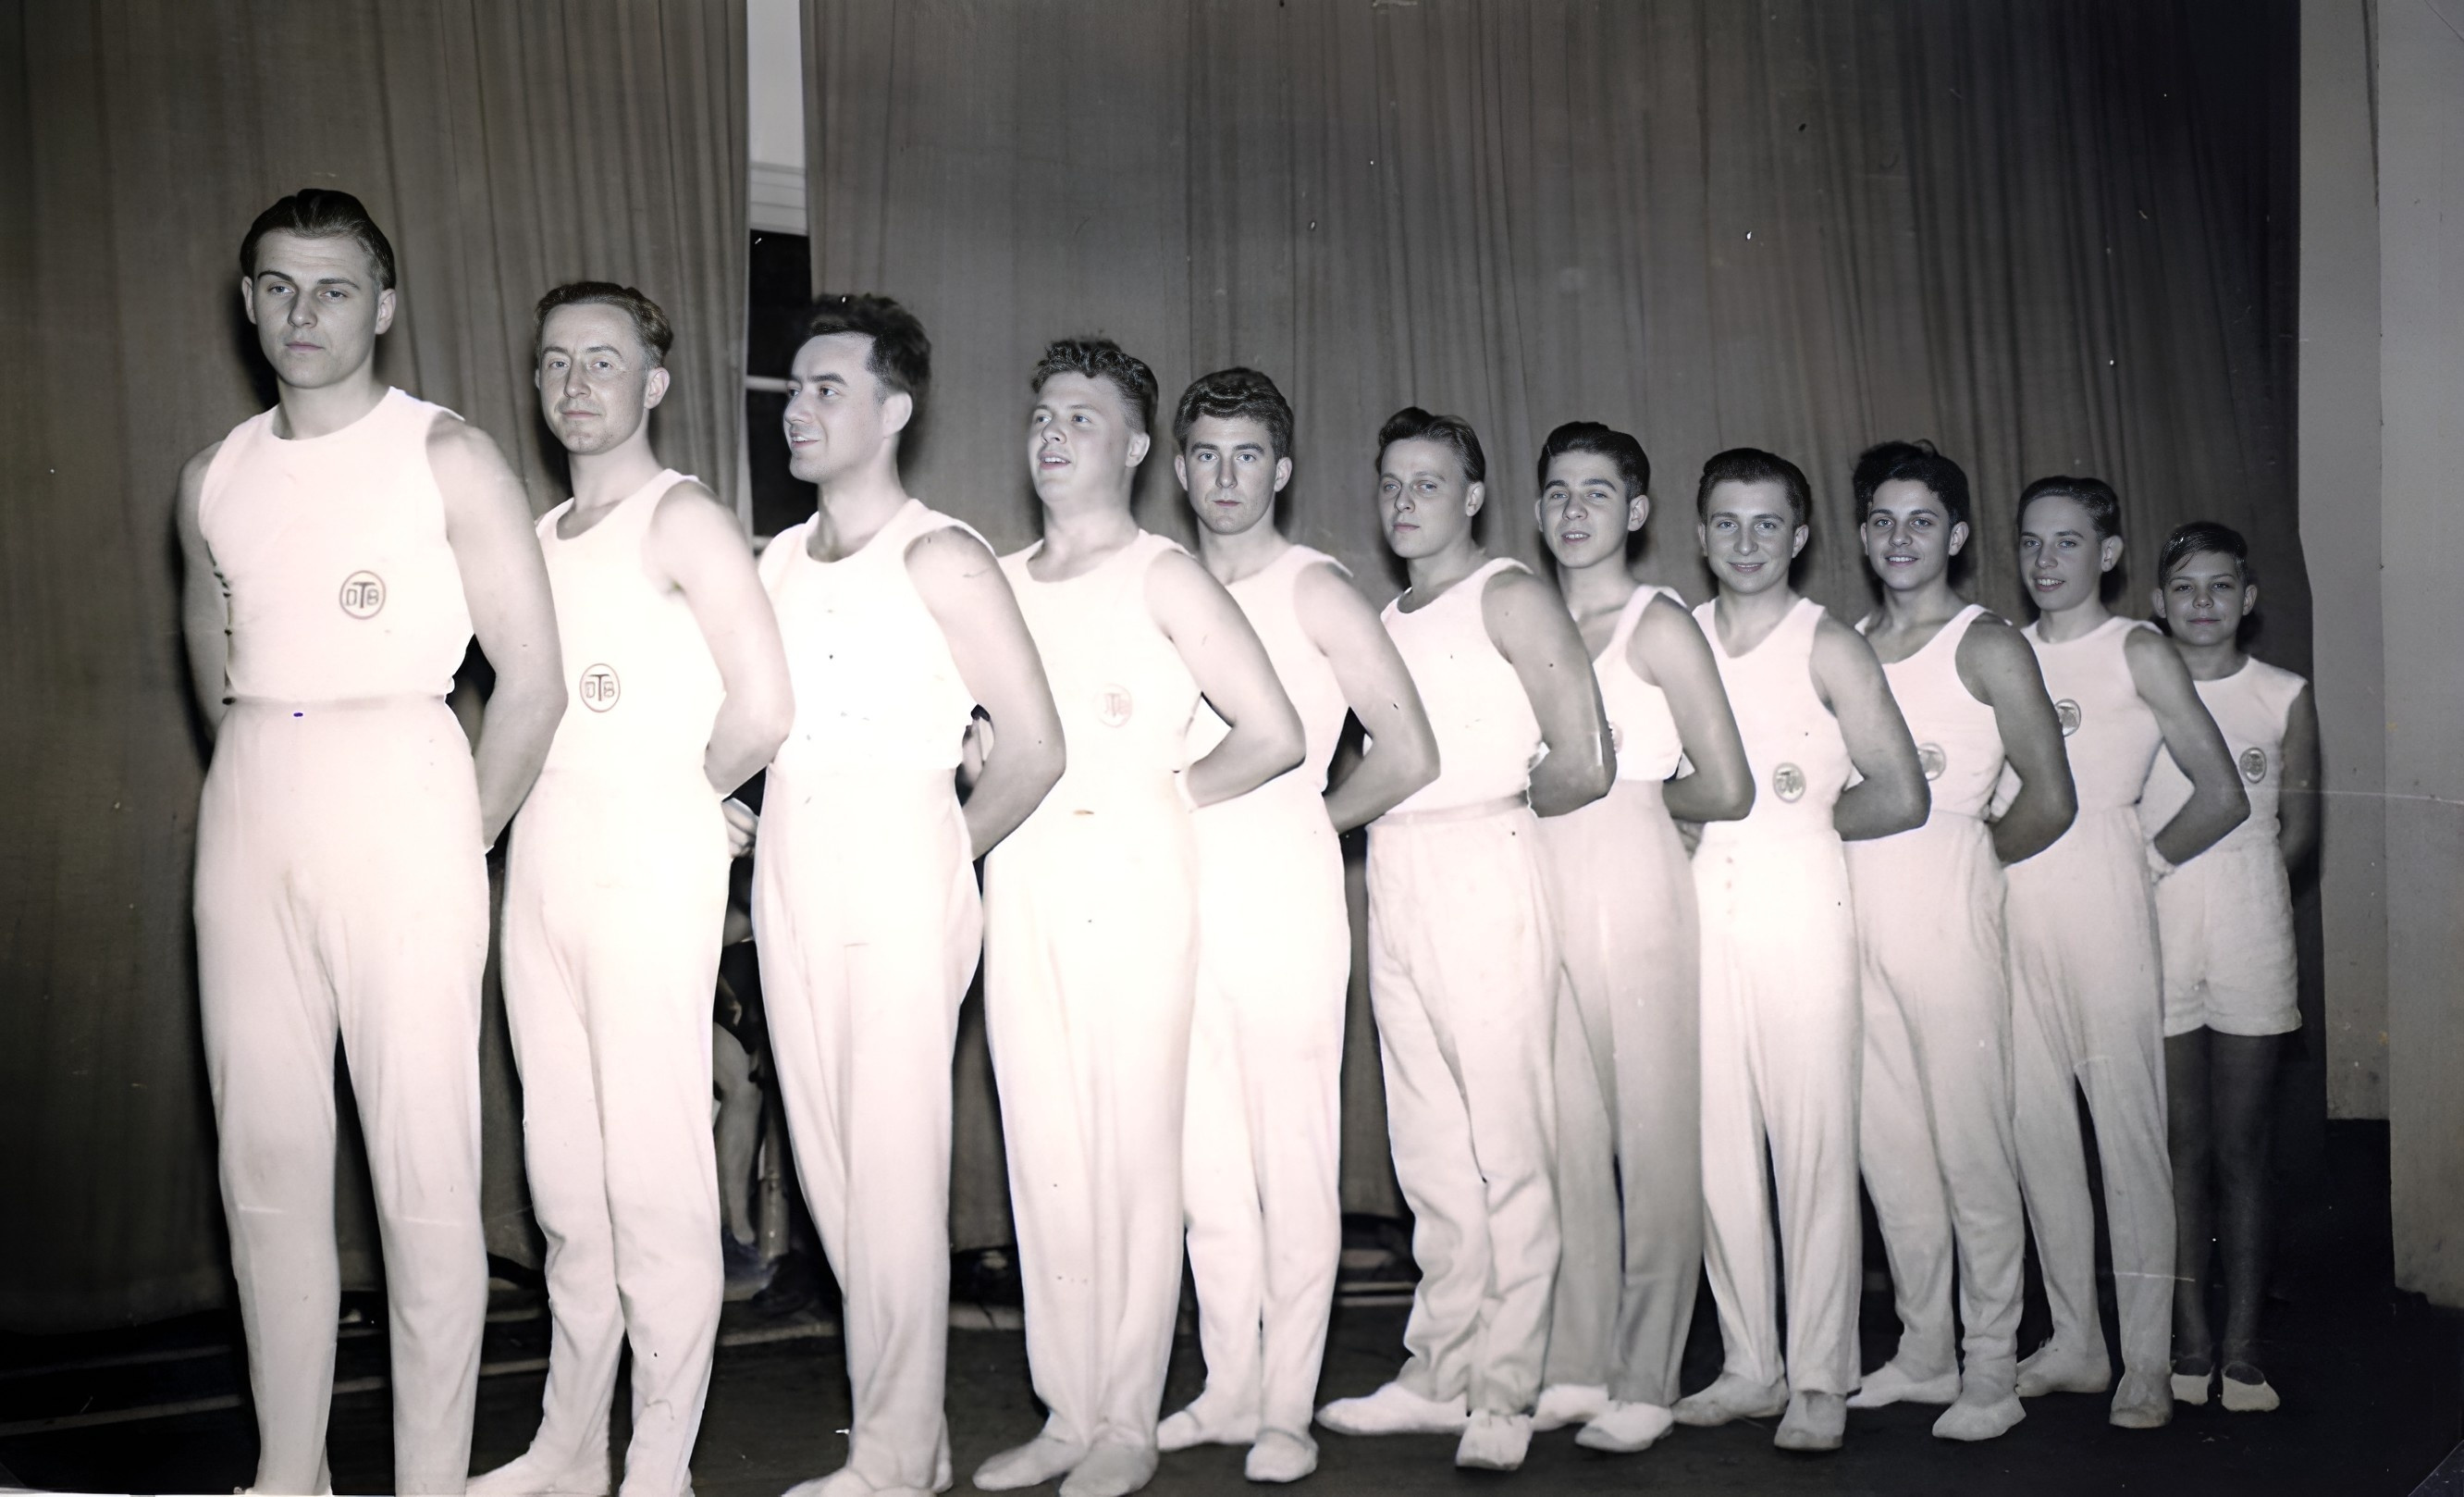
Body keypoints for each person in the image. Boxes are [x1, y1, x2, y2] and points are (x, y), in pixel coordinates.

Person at [175, 189, 567, 1495]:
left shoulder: (445, 454)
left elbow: (533, 679)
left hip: (404, 789)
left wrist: (459, 838)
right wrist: (267, 788)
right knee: (267, 1163)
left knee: (422, 1168)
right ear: (248, 302)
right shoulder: (215, 477)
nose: (303, 312)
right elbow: (214, 669)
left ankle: (428, 1481)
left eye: (333, 288)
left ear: (384, 306)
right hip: (254, 801)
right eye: (278, 286)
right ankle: (290, 1470)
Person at [473, 282, 792, 1497]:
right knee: (565, 1176)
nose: (575, 383)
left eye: (603, 361)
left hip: (648, 859)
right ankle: (568, 1446)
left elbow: (762, 706)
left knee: (653, 1175)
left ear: (653, 382)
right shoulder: (536, 538)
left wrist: (683, 791)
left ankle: (659, 1466)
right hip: (546, 860)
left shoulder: (684, 520)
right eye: (555, 361)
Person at [976, 338, 1302, 1497]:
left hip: (1132, 876)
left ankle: (1127, 1418)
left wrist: (1160, 796)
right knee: (1045, 1152)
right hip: (1021, 875)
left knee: (1128, 1152)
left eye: (1082, 416)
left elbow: (1274, 730)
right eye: (1041, 414)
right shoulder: (998, 580)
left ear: (1131, 446)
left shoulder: (1165, 574)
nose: (1054, 433)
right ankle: (1066, 1410)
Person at [753, 295, 1066, 1497]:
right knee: (830, 1162)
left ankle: (888, 1457)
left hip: (897, 859)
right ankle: (911, 1439)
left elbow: (1034, 744)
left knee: (888, 1166)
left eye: (831, 386)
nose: (803, 407)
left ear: (895, 409)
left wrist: (939, 850)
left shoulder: (942, 553)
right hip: (793, 857)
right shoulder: (775, 561)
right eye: (796, 385)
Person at [1315, 407, 1614, 1473]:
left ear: (1475, 495)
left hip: (1487, 861)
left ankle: (1508, 1387)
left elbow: (1585, 758)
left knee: (1506, 1144)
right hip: (1396, 869)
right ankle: (1439, 1371)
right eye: (1391, 482)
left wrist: (1488, 811)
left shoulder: (1511, 594)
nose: (1404, 501)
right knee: (1432, 1146)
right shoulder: (1386, 616)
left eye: (1428, 482)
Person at [1155, 369, 1439, 1484]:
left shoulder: (1316, 589)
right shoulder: (1156, 585)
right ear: (1178, 470)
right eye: (1205, 456)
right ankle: (1229, 1385)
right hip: (1174, 893)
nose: (1225, 479)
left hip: (1281, 894)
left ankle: (1288, 1403)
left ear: (1280, 470)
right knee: (1201, 1159)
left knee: (1290, 1155)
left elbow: (1409, 750)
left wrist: (1304, 826)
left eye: (1247, 457)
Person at [1672, 448, 1928, 1454]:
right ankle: (1749, 1362)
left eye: (1766, 524)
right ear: (1698, 535)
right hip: (1700, 907)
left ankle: (1821, 1374)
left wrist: (1802, 816)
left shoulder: (1829, 644)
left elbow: (1901, 790)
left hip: (1801, 902)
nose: (1745, 543)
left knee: (1814, 1142)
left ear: (1802, 535)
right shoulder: (1676, 636)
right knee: (1719, 1146)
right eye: (1726, 523)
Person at [1522, 422, 1752, 1454]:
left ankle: (1650, 1373)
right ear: (1536, 511)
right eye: (1559, 494)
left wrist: (1648, 807)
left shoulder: (1657, 624)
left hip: (1631, 878)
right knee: (1565, 1133)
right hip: (1538, 880)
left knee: (1654, 1142)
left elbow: (1730, 780)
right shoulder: (1525, 621)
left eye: (1598, 494)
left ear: (1638, 513)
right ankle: (1579, 1360)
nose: (1575, 513)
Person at [1841, 441, 2076, 1442]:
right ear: (1859, 534)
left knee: (1972, 1149)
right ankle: (1926, 1350)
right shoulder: (1848, 640)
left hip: (1946, 913)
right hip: (1853, 919)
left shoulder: (1985, 643)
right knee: (1889, 1151)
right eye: (1884, 520)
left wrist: (1968, 860)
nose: (1901, 539)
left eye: (1922, 520)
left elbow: (2053, 797)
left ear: (1958, 535)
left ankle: (1993, 1369)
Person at [2003, 476, 2248, 1429]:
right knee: (2036, 1132)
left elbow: (2221, 790)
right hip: (2011, 895)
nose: (2045, 561)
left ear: (2107, 554)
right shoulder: (2005, 650)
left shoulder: (2135, 648)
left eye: (2067, 543)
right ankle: (2076, 1340)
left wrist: (2135, 862)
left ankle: (2145, 1358)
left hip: (2105, 886)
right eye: (2031, 542)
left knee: (2130, 1135)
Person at [2143, 522, 2316, 1415]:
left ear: (2248, 600)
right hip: (2157, 927)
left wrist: (2243, 899)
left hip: (2250, 926)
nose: (2202, 603)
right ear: (2157, 601)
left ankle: (2243, 1348)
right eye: (2184, 588)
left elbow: (2300, 830)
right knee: (2180, 1149)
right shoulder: (2141, 689)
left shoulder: (2282, 692)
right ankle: (2187, 1337)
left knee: (2244, 1146)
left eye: (2221, 586)